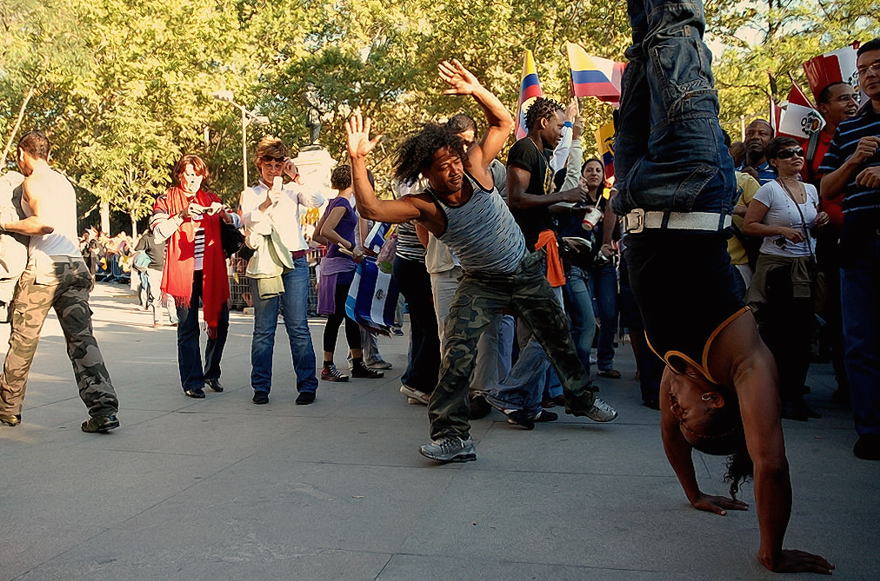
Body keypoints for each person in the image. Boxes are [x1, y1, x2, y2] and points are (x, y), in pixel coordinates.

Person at [613, 1, 831, 573]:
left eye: (678, 418)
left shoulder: (676, 366)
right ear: (714, 401)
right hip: (689, 178)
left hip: (634, 189)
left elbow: (674, 440)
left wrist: (693, 493)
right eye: (688, 416)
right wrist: (771, 551)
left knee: (643, 47)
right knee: (677, 29)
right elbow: (771, 463)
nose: (673, 414)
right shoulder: (743, 363)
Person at [345, 59, 617, 464]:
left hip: (523, 269)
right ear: (427, 174)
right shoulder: (425, 206)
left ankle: (580, 398)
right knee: (455, 355)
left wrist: (476, 90)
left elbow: (504, 122)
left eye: (455, 161)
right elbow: (370, 205)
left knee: (557, 334)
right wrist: (358, 159)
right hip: (481, 282)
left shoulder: (475, 167)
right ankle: (453, 437)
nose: (453, 172)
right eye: (442, 168)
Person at [0, 130, 120, 432]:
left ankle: (7, 409)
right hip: (75, 266)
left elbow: (41, 223)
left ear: (21, 154)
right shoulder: (64, 182)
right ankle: (103, 409)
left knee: (23, 342)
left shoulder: (32, 180)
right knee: (82, 340)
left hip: (45, 270)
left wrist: (5, 223)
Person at [819, 37, 880, 460]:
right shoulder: (851, 130)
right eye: (863, 70)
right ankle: (872, 429)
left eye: (877, 66)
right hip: (860, 239)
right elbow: (825, 187)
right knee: (859, 339)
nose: (871, 75)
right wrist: (854, 162)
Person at [743, 137, 828, 420]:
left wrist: (820, 220)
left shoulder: (811, 190)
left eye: (798, 152)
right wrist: (779, 229)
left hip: (805, 265)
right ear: (774, 161)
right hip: (779, 268)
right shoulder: (769, 190)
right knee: (779, 333)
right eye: (786, 154)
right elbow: (749, 225)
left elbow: (811, 221)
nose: (795, 157)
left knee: (803, 333)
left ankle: (795, 392)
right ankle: (777, 396)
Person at [240, 137, 323, 405]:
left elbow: (316, 200)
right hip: (266, 263)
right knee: (264, 329)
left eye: (278, 163)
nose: (273, 168)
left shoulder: (292, 190)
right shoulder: (250, 193)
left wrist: (295, 175)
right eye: (268, 162)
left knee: (298, 326)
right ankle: (261, 386)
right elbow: (247, 221)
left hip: (295, 261)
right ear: (259, 163)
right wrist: (265, 203)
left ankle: (307, 385)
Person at [150, 154, 241, 399]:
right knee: (188, 328)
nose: (192, 180)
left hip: (213, 271)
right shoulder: (166, 199)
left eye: (196, 175)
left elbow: (237, 222)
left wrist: (224, 214)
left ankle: (211, 371)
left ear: (203, 175)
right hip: (183, 272)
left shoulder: (211, 198)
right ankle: (192, 380)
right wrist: (181, 215)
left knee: (220, 324)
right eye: (187, 174)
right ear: (179, 175)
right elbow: (158, 233)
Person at [316, 165, 384, 383]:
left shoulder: (333, 202)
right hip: (341, 269)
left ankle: (357, 362)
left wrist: (337, 246)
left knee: (349, 317)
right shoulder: (344, 203)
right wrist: (349, 245)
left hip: (337, 265)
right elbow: (326, 231)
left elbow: (318, 234)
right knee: (338, 318)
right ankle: (328, 366)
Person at [739, 119, 777, 185]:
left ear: (771, 140)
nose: (755, 137)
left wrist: (755, 183)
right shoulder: (732, 173)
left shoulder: (780, 175)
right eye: (750, 133)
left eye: (762, 134)